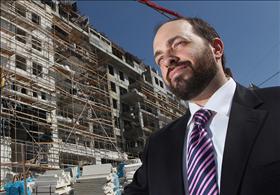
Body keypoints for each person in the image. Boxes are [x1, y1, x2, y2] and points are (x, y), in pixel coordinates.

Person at [123, 17, 280, 195]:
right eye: (160, 59)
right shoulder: (157, 146)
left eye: (179, 43)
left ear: (217, 48)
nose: (167, 61)